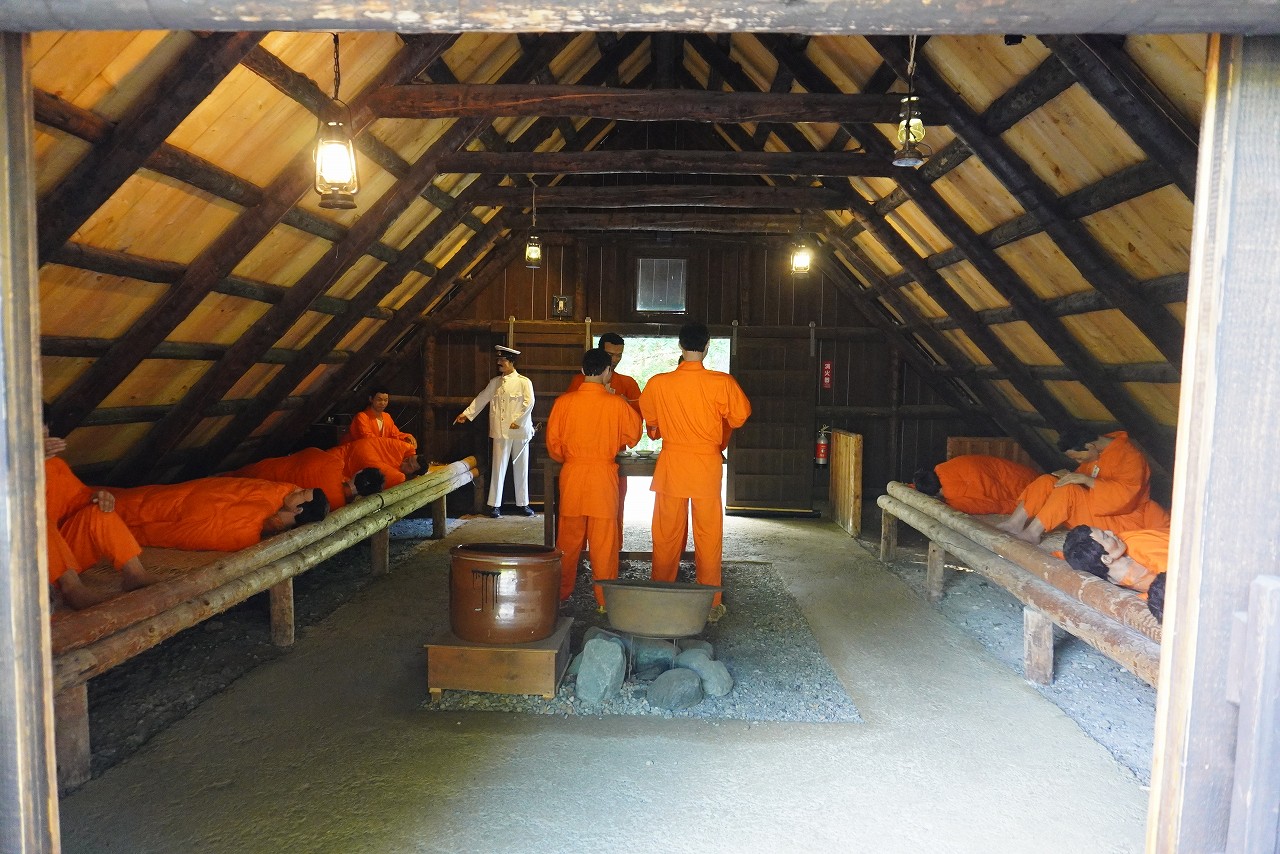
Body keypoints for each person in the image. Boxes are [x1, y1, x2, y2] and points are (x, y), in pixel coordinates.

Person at [639, 322, 751, 623]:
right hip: (705, 466)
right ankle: (711, 602)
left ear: (680, 345)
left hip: (673, 465)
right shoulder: (721, 382)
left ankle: (660, 593)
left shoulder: (658, 383)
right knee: (708, 535)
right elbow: (739, 417)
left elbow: (651, 423)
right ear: (708, 345)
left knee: (666, 533)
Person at [547, 347, 643, 608]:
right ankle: (604, 600)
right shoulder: (616, 404)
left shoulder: (563, 403)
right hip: (603, 477)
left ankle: (560, 594)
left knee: (567, 540)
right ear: (607, 372)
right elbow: (634, 436)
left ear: (582, 371)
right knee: (604, 542)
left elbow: (554, 446)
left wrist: (571, 458)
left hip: (573, 475)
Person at [43, 424, 157, 609]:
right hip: (26, 569)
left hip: (61, 559)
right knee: (33, 520)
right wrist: (26, 461)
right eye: (35, 437)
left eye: (46, 435)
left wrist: (96, 497)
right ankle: (72, 589)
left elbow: (76, 498)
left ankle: (135, 574)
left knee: (98, 510)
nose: (44, 442)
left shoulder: (55, 465)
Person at [996, 427, 1170, 544]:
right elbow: (1082, 478)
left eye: (1079, 458)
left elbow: (1126, 497)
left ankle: (1032, 533)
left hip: (1122, 518)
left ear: (1090, 446)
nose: (1079, 462)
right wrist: (1068, 476)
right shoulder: (1098, 452)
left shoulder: (1131, 457)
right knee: (1047, 481)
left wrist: (1087, 480)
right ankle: (1015, 523)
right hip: (1097, 509)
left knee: (1069, 490)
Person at [568, 332, 644, 546]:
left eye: (619, 355)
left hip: (613, 455)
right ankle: (581, 553)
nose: (615, 360)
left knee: (613, 508)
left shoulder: (627, 382)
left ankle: (613, 549)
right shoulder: (578, 382)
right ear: (600, 353)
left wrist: (623, 404)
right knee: (575, 516)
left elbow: (639, 418)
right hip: (583, 456)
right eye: (610, 355)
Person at [107, 478, 328, 552]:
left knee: (118, 512)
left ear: (298, 510)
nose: (297, 489)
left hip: (183, 510)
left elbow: (207, 530)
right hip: (181, 497)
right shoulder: (276, 495)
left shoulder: (252, 525)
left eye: (302, 493)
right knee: (129, 502)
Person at [455, 345, 536, 517]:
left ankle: (523, 504)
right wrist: (467, 414)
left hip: (520, 432)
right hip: (500, 431)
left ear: (511, 362)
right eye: (498, 359)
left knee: (521, 468)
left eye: (502, 360)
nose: (499, 363)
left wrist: (518, 422)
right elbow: (482, 398)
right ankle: (494, 505)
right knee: (498, 468)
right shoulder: (495, 382)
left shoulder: (524, 382)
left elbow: (529, 403)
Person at [227, 447, 383, 510]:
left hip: (266, 471)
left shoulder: (333, 464)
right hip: (265, 490)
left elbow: (310, 452)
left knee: (233, 478)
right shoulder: (336, 504)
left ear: (358, 473)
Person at [1062, 524, 1169, 601]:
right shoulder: (1112, 580)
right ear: (1106, 559)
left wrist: (1143, 598)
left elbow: (1173, 579)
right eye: (1106, 536)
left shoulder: (1136, 544)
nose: (1111, 532)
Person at [912, 454, 1039, 516]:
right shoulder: (949, 466)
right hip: (1027, 475)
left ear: (934, 494)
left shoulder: (956, 502)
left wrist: (1019, 507)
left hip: (1026, 495)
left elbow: (992, 506)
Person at [328, 436, 421, 489]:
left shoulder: (397, 474)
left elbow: (394, 433)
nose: (405, 462)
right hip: (354, 451)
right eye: (407, 459)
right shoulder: (362, 417)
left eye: (409, 465)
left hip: (351, 464)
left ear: (413, 474)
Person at [339, 387, 417, 450]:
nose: (383, 403)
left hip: (380, 449)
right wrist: (388, 444)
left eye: (385, 400)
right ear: (371, 399)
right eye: (379, 400)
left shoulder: (387, 416)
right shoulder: (362, 416)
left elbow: (395, 434)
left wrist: (407, 437)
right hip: (361, 451)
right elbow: (367, 438)